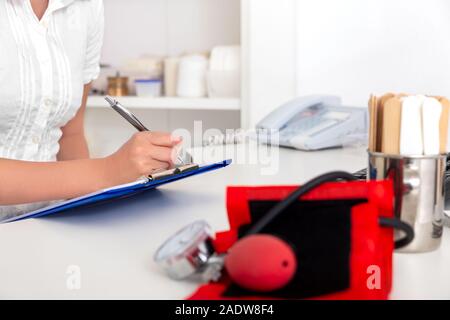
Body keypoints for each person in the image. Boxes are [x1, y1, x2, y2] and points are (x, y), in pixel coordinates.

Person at [0, 0, 180, 220]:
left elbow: (70, 135)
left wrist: (95, 202)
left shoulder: (87, 6)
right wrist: (108, 172)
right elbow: (102, 172)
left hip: (44, 224)